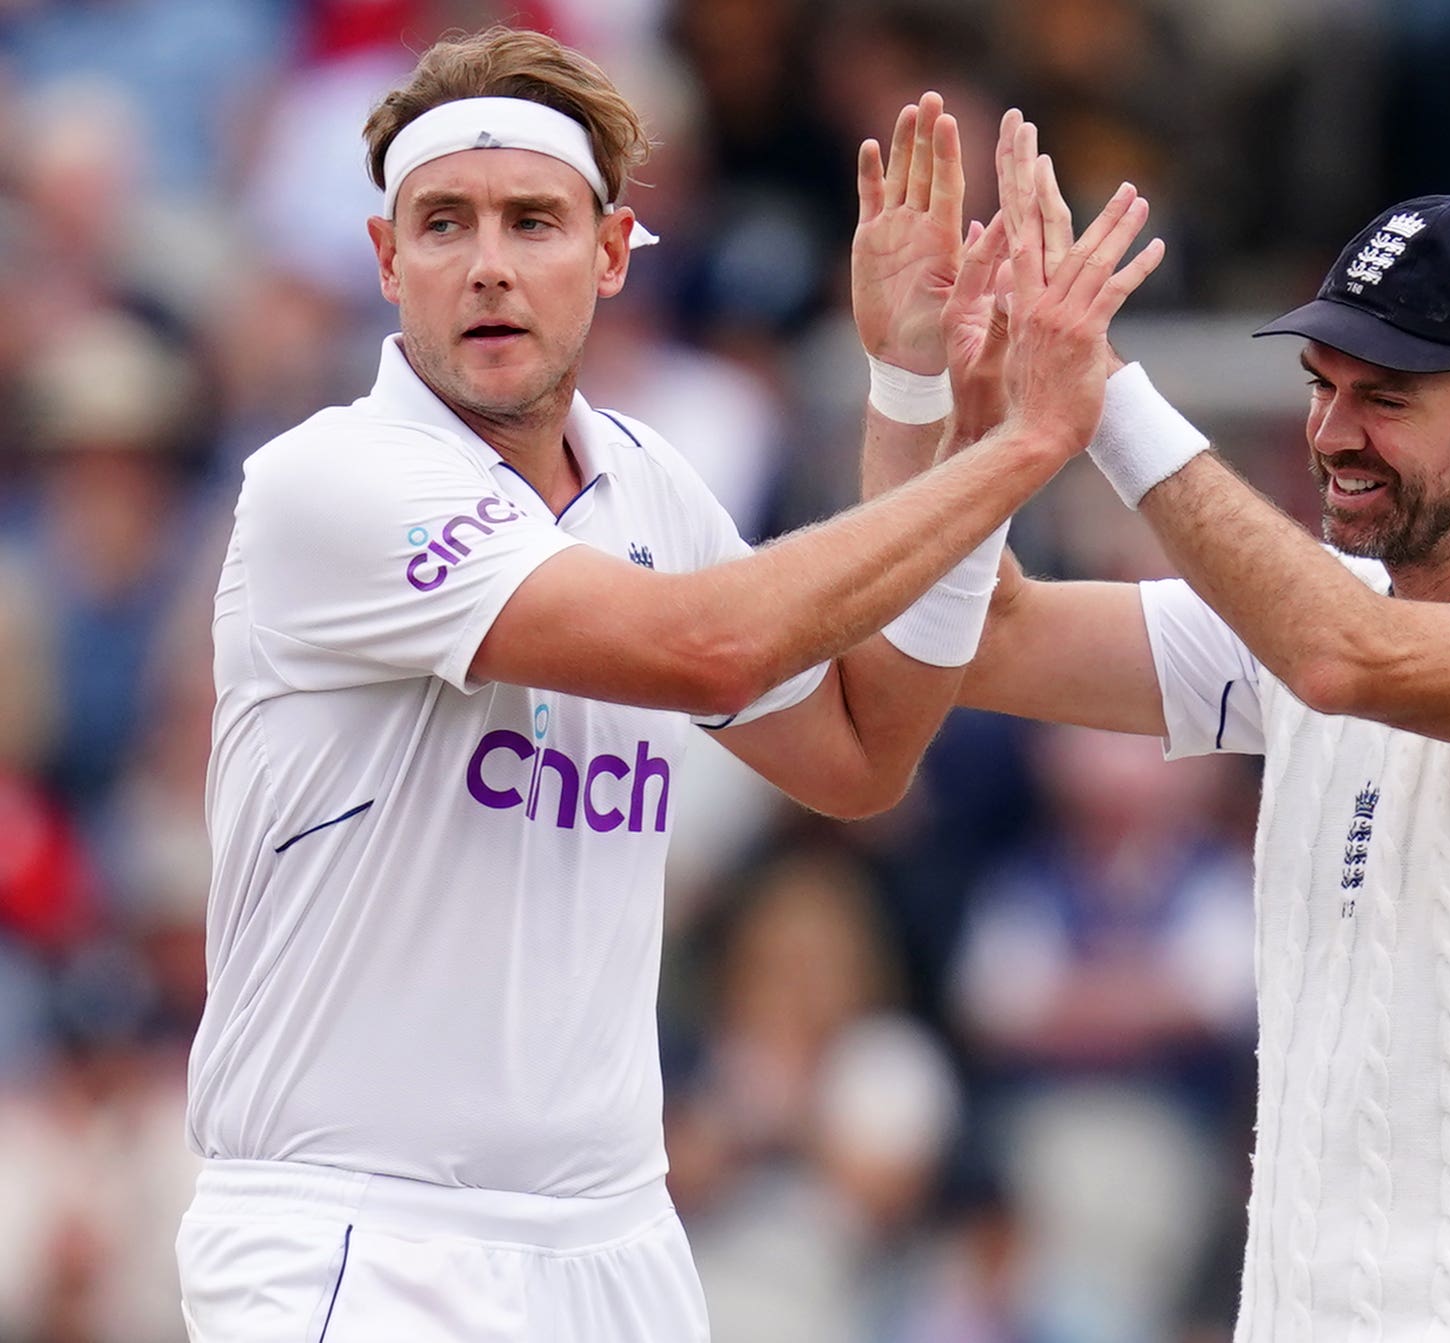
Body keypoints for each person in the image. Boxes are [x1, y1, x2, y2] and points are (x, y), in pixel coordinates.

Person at [173, 28, 1162, 1342]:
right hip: (354, 1234)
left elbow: (864, 752)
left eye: (532, 220)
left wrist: (913, 386)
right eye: (444, 222)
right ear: (383, 257)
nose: (486, 265)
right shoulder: (329, 480)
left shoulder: (649, 482)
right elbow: (708, 646)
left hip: (613, 1239)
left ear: (612, 252)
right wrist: (1027, 444)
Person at [906, 113, 1450, 1340]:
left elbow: (1342, 661)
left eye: (1385, 396)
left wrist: (1109, 401)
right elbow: (980, 636)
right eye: (1322, 387)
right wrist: (928, 387)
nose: (1332, 432)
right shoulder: (1326, 605)